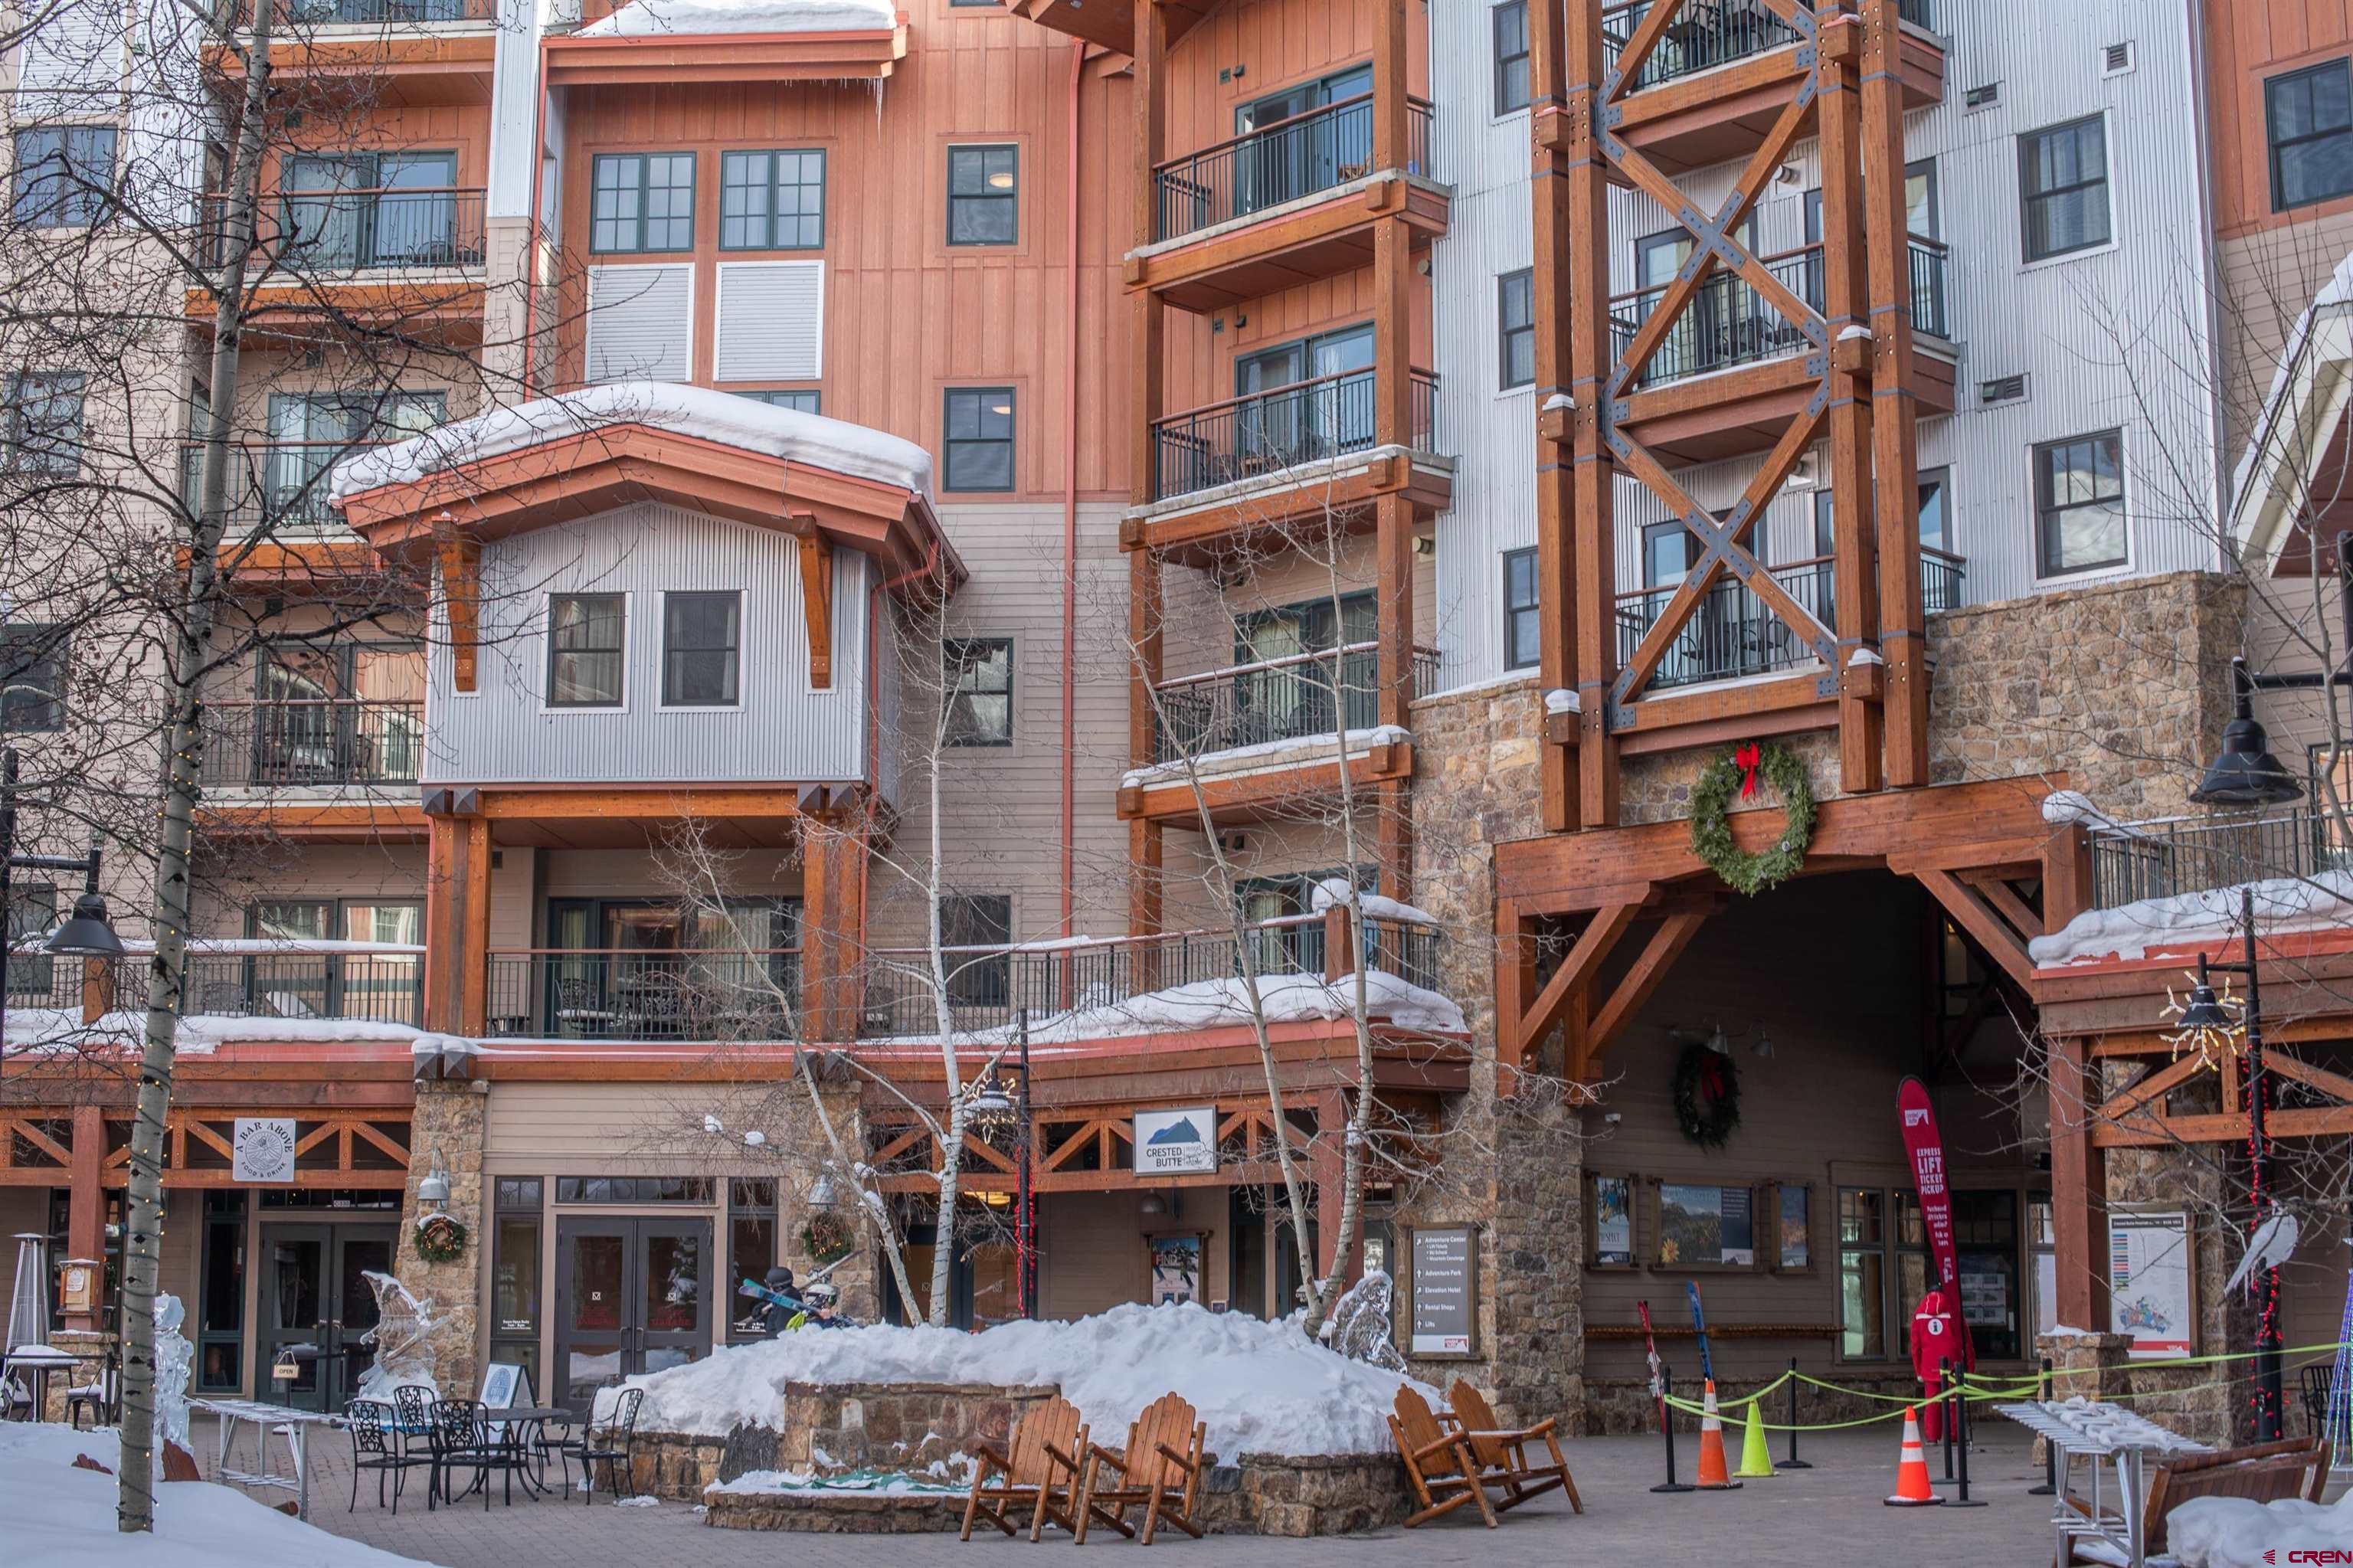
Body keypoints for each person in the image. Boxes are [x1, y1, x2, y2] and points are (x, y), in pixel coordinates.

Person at [1909, 1284, 1964, 1442]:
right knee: (1952, 1403)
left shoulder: (1919, 1314)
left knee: (1932, 1404)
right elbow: (1962, 1341)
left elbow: (1915, 1347)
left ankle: (1932, 1437)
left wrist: (1918, 1370)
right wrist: (1965, 1365)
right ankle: (1954, 1436)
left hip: (1929, 1366)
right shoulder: (1953, 1311)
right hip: (1952, 1365)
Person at [761, 1266, 806, 1337]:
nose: (769, 1289)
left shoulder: (786, 1302)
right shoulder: (791, 1294)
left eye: (769, 1285)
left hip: (777, 1342)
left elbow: (781, 1331)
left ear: (775, 1286)